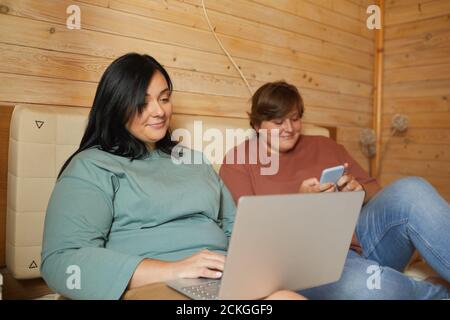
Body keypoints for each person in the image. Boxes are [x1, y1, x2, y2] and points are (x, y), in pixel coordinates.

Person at [41, 53, 304, 300]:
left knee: (288, 297)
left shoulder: (195, 161)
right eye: (142, 103)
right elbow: (61, 260)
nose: (159, 111)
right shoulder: (93, 166)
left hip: (221, 278)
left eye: (164, 98)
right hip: (152, 286)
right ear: (116, 107)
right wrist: (173, 270)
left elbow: (236, 228)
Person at [219, 81, 450, 300]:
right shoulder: (240, 161)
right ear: (258, 125)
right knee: (368, 289)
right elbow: (248, 236)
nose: (289, 128)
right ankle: (438, 294)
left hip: (359, 241)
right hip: (304, 262)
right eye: (278, 123)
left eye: (295, 119)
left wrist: (358, 190)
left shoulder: (324, 145)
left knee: (412, 189)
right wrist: (298, 205)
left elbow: (376, 192)